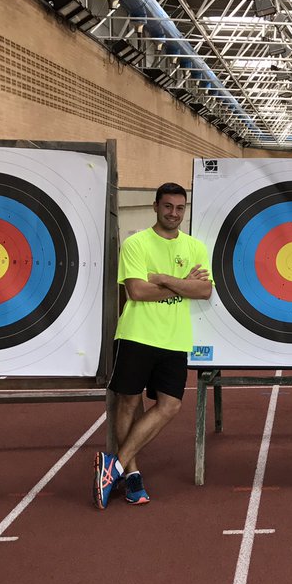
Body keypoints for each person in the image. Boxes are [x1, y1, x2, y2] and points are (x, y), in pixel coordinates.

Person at [94, 182, 213, 508]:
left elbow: (204, 291)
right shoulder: (136, 244)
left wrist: (162, 277)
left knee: (170, 405)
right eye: (168, 207)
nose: (173, 213)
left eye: (179, 208)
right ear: (155, 206)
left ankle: (112, 465)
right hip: (136, 335)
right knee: (128, 403)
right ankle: (131, 474)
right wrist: (183, 284)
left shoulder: (195, 247)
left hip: (174, 339)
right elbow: (137, 292)